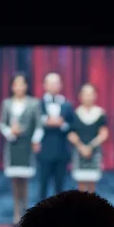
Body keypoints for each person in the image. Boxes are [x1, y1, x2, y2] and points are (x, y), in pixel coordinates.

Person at [0, 73, 43, 226]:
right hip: (13, 145)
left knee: (25, 182)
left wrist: (36, 140)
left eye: (22, 84)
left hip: (27, 145)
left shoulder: (34, 103)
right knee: (15, 182)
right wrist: (10, 132)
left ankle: (25, 213)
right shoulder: (7, 103)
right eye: (16, 84)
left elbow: (38, 125)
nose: (19, 87)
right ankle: (16, 213)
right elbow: (1, 124)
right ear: (12, 87)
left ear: (26, 86)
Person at [37, 72, 75, 200]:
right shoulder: (38, 104)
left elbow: (72, 126)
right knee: (42, 186)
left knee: (60, 188)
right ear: (44, 85)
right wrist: (45, 122)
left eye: (56, 83)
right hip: (44, 150)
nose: (53, 86)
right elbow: (34, 125)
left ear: (61, 85)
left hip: (62, 150)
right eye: (50, 83)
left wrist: (61, 124)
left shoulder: (67, 105)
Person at [67, 83, 109, 194]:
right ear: (80, 96)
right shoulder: (74, 113)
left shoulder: (100, 113)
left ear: (95, 96)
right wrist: (81, 147)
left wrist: (90, 147)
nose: (88, 97)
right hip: (79, 151)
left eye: (91, 94)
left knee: (92, 185)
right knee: (80, 185)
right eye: (85, 94)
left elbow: (104, 133)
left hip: (94, 151)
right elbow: (71, 134)